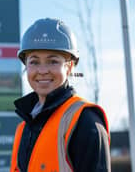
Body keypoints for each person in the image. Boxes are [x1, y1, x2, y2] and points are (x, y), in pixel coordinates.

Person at [10, 18, 111, 172]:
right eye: (34, 62)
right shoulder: (23, 129)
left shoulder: (85, 121)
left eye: (53, 61)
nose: (42, 70)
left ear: (69, 67)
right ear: (26, 67)